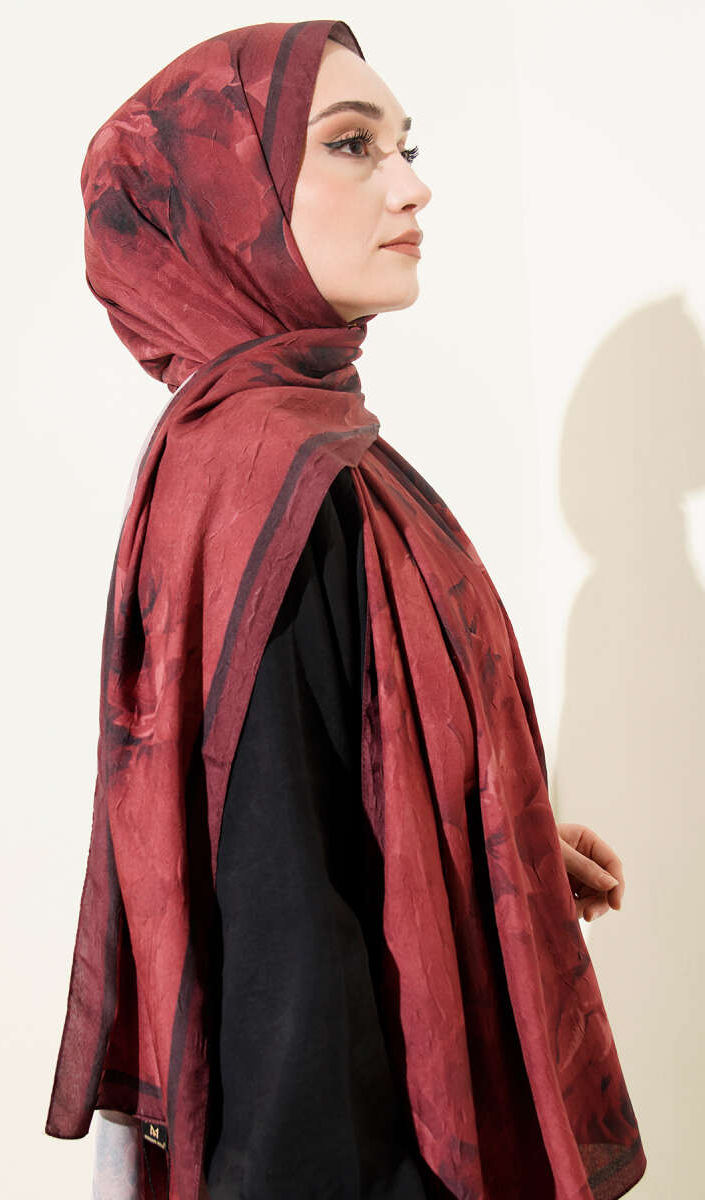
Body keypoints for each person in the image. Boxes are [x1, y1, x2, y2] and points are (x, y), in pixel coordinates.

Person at [46, 20, 646, 1200]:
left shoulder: (283, 451)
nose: (411, 186)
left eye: (402, 146)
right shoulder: (269, 475)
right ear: (227, 199)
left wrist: (483, 833)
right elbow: (282, 943)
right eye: (351, 145)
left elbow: (313, 786)